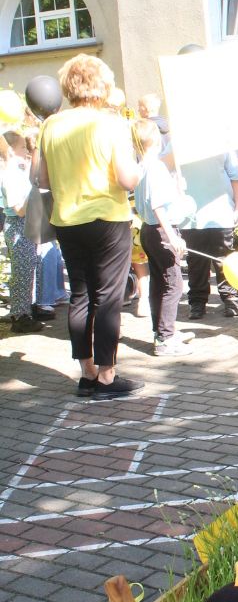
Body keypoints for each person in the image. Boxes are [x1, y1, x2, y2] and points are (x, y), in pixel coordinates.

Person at [38, 54, 142, 397]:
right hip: (107, 218)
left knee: (80, 295)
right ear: (102, 85)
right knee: (109, 298)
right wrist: (140, 171)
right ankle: (108, 377)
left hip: (68, 220)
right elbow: (127, 179)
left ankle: (87, 373)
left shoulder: (51, 125)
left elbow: (43, 178)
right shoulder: (110, 123)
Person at [133, 119, 193, 356]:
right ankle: (165, 338)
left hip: (149, 230)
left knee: (159, 282)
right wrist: (172, 236)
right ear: (156, 139)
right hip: (160, 229)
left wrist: (177, 189)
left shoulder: (142, 167)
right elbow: (158, 206)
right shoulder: (155, 167)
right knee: (173, 284)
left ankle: (162, 331)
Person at [180, 151, 238, 319]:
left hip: (221, 211)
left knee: (225, 259)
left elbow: (235, 176)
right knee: (195, 261)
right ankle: (197, 302)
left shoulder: (222, 143)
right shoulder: (178, 142)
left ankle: (231, 297)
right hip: (191, 214)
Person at [0, 130, 39, 333]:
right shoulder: (10, 174)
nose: (26, 151)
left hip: (24, 225)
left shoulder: (17, 171)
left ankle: (24, 310)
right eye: (23, 147)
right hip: (18, 225)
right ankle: (20, 314)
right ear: (12, 150)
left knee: (27, 268)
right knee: (22, 271)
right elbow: (18, 208)